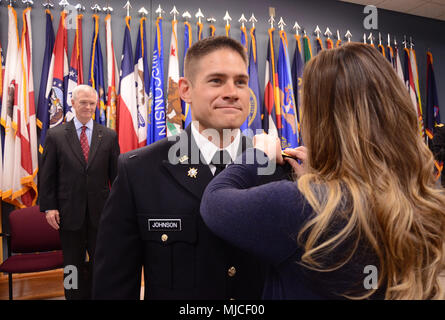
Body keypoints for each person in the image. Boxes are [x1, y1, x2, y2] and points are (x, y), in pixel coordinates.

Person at [200, 43, 445, 300]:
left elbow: (214, 201)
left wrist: (257, 155)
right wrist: (323, 177)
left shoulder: (300, 204)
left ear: (321, 121)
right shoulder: (420, 199)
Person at [92, 36, 289, 300]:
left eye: (241, 82)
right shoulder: (139, 172)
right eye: (216, 80)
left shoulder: (277, 168)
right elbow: (113, 286)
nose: (232, 91)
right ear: (185, 90)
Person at [39, 84, 120, 300]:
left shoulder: (109, 136)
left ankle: (98, 295)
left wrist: (120, 209)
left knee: (100, 261)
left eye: (92, 103)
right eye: (83, 102)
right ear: (73, 103)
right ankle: (72, 297)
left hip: (101, 214)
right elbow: (47, 176)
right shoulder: (55, 135)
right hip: (68, 213)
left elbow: (117, 178)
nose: (88, 107)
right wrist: (49, 207)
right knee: (71, 265)